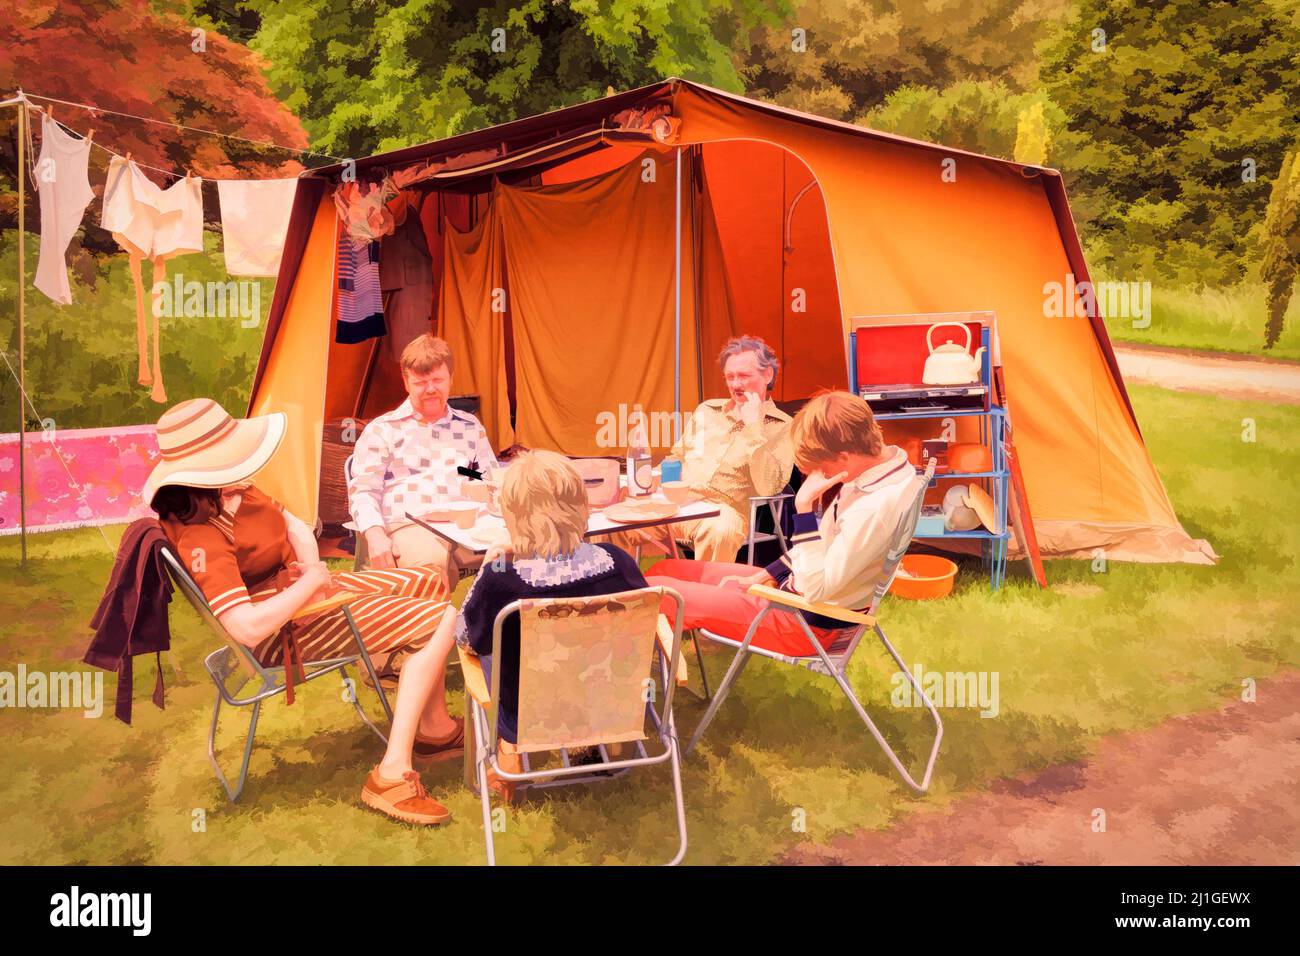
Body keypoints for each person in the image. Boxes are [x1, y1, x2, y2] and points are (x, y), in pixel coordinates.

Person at [145, 398, 464, 827]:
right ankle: (391, 774)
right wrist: (310, 588)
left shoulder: (232, 492)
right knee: (442, 618)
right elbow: (246, 627)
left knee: (428, 579)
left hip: (296, 597)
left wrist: (307, 570)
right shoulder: (201, 534)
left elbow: (296, 525)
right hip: (281, 633)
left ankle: (434, 726)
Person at [645, 390, 919, 657]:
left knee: (653, 589)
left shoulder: (871, 509)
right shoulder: (886, 468)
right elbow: (823, 547)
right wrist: (767, 575)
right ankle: (651, 655)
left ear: (845, 457)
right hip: (791, 597)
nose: (817, 475)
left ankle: (633, 678)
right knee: (665, 568)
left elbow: (816, 590)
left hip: (804, 625)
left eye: (820, 466)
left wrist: (803, 510)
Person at [455, 450, 650, 801]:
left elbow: (468, 638)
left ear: (514, 515)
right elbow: (644, 635)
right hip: (607, 707)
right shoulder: (618, 563)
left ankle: (510, 749)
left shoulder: (504, 582)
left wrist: (490, 564)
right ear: (580, 505)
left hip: (530, 718)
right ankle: (594, 742)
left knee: (491, 644)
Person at [620, 336, 793, 563]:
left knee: (722, 530)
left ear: (767, 375)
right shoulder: (707, 411)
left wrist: (753, 427)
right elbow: (678, 457)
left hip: (722, 513)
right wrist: (647, 479)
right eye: (730, 377)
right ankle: (616, 589)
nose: (735, 384)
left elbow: (769, 486)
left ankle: (706, 595)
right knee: (609, 516)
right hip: (676, 504)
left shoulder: (782, 426)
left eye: (743, 376)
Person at [348, 333, 497, 580]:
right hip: (409, 524)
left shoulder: (469, 426)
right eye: (420, 382)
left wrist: (467, 473)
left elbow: (488, 477)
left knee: (519, 551)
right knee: (430, 566)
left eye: (437, 380)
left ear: (451, 378)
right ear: (406, 382)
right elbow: (364, 491)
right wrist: (375, 535)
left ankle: (495, 618)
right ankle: (438, 619)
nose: (430, 390)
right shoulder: (383, 430)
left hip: (466, 527)